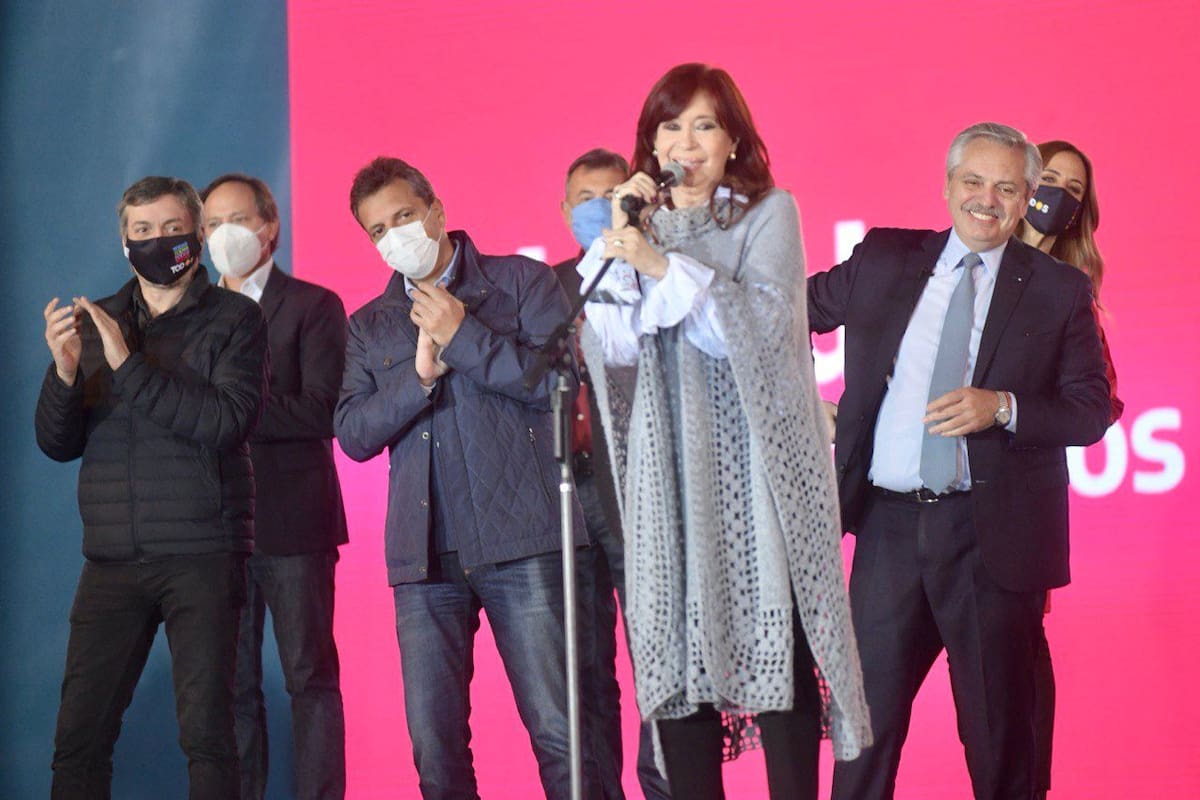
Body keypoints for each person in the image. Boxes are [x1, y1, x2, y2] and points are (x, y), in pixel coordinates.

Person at [578, 63, 871, 800]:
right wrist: (625, 241)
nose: (686, 142)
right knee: (679, 657)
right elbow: (611, 346)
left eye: (704, 125)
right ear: (650, 145)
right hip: (668, 469)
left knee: (779, 647)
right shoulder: (634, 226)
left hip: (756, 464)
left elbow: (767, 328)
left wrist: (661, 266)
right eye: (671, 127)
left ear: (733, 139)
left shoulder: (769, 213)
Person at [809, 123, 1113, 799]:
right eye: (973, 181)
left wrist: (1002, 406)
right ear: (948, 186)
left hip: (990, 542)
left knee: (999, 747)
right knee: (862, 740)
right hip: (887, 534)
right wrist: (803, 401)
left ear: (1026, 199)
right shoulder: (885, 257)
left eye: (1006, 188)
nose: (987, 199)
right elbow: (783, 316)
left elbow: (1091, 410)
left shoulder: (1058, 289)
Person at [334, 157, 593, 800]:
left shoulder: (521, 282)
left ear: (437, 212)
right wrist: (418, 378)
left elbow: (560, 385)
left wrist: (463, 336)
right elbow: (354, 434)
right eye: (378, 230)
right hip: (424, 560)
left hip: (523, 541)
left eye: (404, 216)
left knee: (560, 732)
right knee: (435, 751)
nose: (395, 236)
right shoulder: (369, 324)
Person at [36, 175, 269, 798]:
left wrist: (128, 367)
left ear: (197, 234)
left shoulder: (237, 319)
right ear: (124, 242)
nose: (157, 242)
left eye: (171, 229)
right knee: (78, 741)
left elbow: (227, 422)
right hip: (111, 560)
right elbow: (57, 443)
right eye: (142, 231)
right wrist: (64, 376)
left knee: (208, 737)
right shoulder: (98, 320)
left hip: (203, 554)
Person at [201, 173, 349, 800]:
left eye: (237, 220)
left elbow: (323, 409)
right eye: (212, 224)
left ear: (270, 226)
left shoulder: (314, 306)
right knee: (232, 686)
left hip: (294, 524)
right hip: (215, 528)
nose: (224, 234)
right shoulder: (192, 314)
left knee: (309, 679)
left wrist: (229, 409)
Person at [554, 148, 671, 800]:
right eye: (584, 198)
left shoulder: (657, 274)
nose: (597, 208)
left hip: (639, 491)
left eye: (610, 194)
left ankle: (665, 786)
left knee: (657, 654)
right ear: (563, 209)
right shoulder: (546, 288)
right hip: (566, 496)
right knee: (584, 668)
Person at [1018, 139, 1123, 799]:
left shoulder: (1070, 296)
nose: (1055, 194)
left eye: (1072, 190)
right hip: (924, 516)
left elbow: (1099, 404)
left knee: (1018, 715)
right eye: (1048, 178)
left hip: (1017, 523)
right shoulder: (960, 267)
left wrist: (1012, 410)